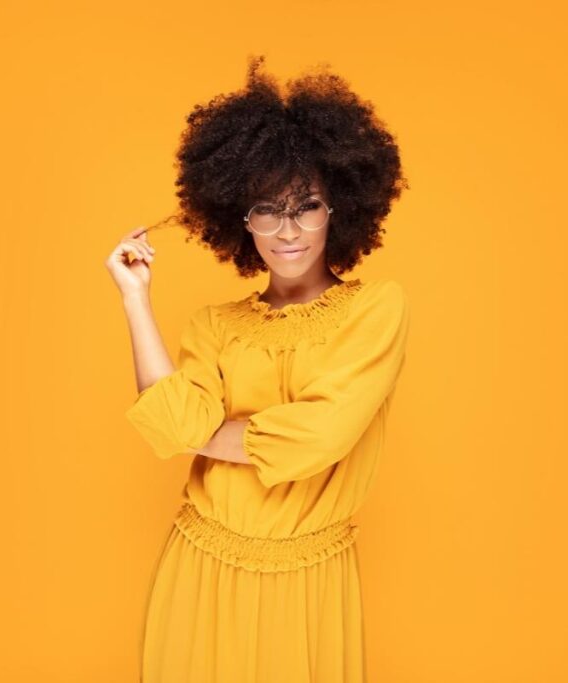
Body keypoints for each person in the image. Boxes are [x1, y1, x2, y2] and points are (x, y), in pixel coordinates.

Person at [104, 54, 410, 683]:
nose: (287, 230)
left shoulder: (375, 308)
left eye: (308, 206)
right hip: (200, 564)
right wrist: (136, 298)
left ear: (341, 209)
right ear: (242, 220)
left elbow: (318, 439)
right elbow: (170, 425)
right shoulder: (215, 325)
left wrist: (202, 434)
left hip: (308, 579)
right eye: (267, 210)